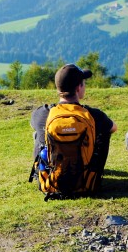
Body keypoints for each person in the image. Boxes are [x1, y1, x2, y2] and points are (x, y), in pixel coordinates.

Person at [30, 64, 116, 196]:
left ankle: (43, 175)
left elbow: (34, 126)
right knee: (105, 132)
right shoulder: (93, 115)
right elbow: (113, 128)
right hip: (86, 184)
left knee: (37, 134)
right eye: (83, 83)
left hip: (52, 183)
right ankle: (92, 174)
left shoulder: (42, 113)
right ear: (78, 88)